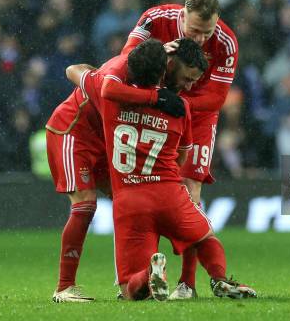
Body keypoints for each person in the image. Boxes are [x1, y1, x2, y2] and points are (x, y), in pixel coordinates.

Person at [69, 38, 256, 300]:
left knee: (129, 290)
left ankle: (149, 274)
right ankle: (219, 279)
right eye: (189, 78)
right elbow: (181, 156)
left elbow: (74, 71)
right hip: (168, 192)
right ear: (166, 69)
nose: (189, 85)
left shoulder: (109, 95)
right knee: (204, 237)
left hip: (129, 199)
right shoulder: (180, 108)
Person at [47, 41, 185, 303]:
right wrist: (156, 98)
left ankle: (131, 277)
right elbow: (73, 70)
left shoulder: (145, 69)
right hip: (72, 133)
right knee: (85, 206)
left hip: (104, 141)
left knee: (134, 202)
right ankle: (64, 288)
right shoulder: (108, 80)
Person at [121, 0, 238, 299]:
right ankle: (145, 273)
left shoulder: (226, 42)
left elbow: (216, 98)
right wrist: (159, 52)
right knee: (150, 188)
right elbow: (127, 58)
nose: (200, 38)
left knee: (190, 190)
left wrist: (177, 102)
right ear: (182, 16)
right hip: (153, 107)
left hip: (195, 116)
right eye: (194, 31)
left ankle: (187, 283)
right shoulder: (156, 18)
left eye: (207, 32)